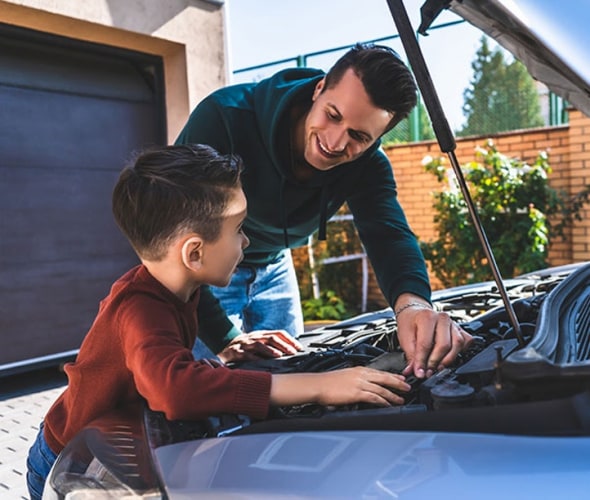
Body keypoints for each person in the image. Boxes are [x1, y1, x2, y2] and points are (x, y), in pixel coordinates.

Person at [25, 144, 411, 500]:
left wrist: (218, 364)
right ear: (194, 252)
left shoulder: (175, 287)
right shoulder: (140, 308)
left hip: (108, 450)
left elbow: (157, 367)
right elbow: (173, 389)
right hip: (66, 463)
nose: (246, 242)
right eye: (239, 229)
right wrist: (320, 386)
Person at [175, 43, 472, 379]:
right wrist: (224, 337)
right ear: (319, 89)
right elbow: (172, 234)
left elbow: (388, 234)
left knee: (294, 387)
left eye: (358, 136)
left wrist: (413, 306)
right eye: (333, 115)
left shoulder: (369, 166)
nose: (334, 143)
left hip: (275, 265)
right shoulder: (223, 119)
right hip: (206, 276)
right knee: (213, 402)